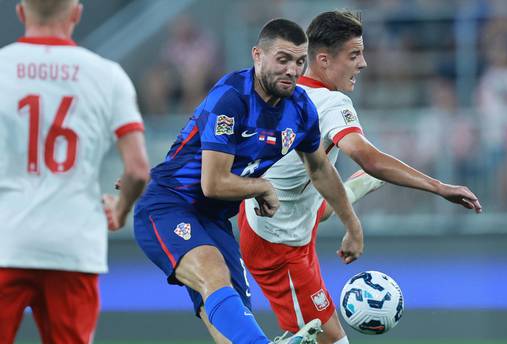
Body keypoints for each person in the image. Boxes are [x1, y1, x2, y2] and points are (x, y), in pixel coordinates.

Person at [238, 11, 483, 344]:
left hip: (276, 227)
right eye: (354, 55)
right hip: (279, 247)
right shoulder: (329, 101)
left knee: (311, 204)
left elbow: (312, 199)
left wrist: (359, 188)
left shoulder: (286, 92)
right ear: (323, 60)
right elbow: (367, 157)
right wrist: (439, 187)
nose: (363, 63)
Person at [133, 18, 363, 344]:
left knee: (230, 317)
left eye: (299, 61)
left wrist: (352, 224)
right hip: (170, 206)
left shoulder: (300, 109)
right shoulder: (231, 98)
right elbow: (212, 183)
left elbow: (321, 171)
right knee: (213, 272)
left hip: (215, 220)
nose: (291, 70)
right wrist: (261, 187)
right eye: (282, 59)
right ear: (258, 56)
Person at [0, 1, 149, 343]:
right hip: (73, 244)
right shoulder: (107, 76)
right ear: (76, 14)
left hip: (5, 239)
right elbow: (139, 170)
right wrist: (121, 209)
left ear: (21, 12)